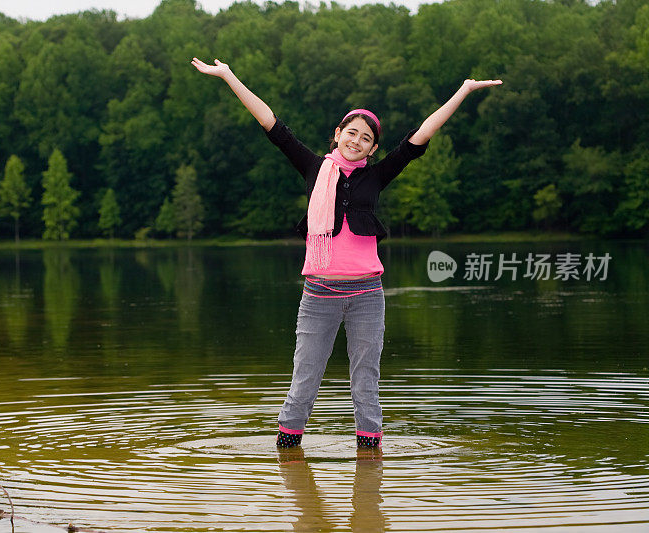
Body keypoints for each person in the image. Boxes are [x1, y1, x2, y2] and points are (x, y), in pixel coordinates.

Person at [191, 57, 501, 448]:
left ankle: (369, 465)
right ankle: (288, 450)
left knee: (366, 380)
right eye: (351, 133)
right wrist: (228, 76)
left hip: (367, 294)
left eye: (366, 138)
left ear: (373, 148)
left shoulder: (377, 175)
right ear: (337, 133)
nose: (356, 141)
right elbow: (271, 123)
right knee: (304, 379)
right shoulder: (312, 167)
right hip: (318, 294)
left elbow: (421, 134)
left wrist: (464, 90)